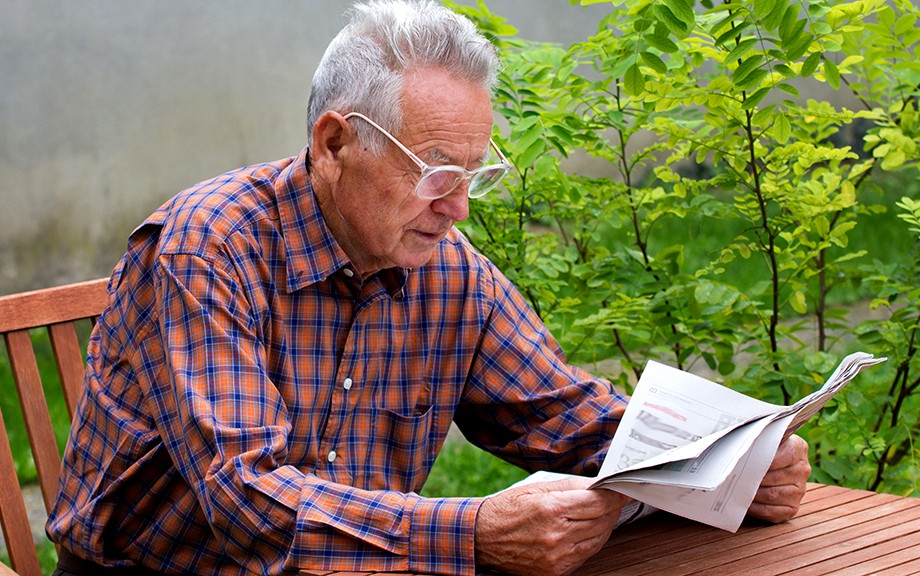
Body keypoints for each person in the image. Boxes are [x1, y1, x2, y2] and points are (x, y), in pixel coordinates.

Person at [46, 1, 811, 575]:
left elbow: (564, 415)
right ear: (335, 143)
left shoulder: (446, 268)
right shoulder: (210, 247)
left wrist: (730, 459)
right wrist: (471, 530)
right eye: (438, 171)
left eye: (476, 173)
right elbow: (247, 500)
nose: (460, 206)